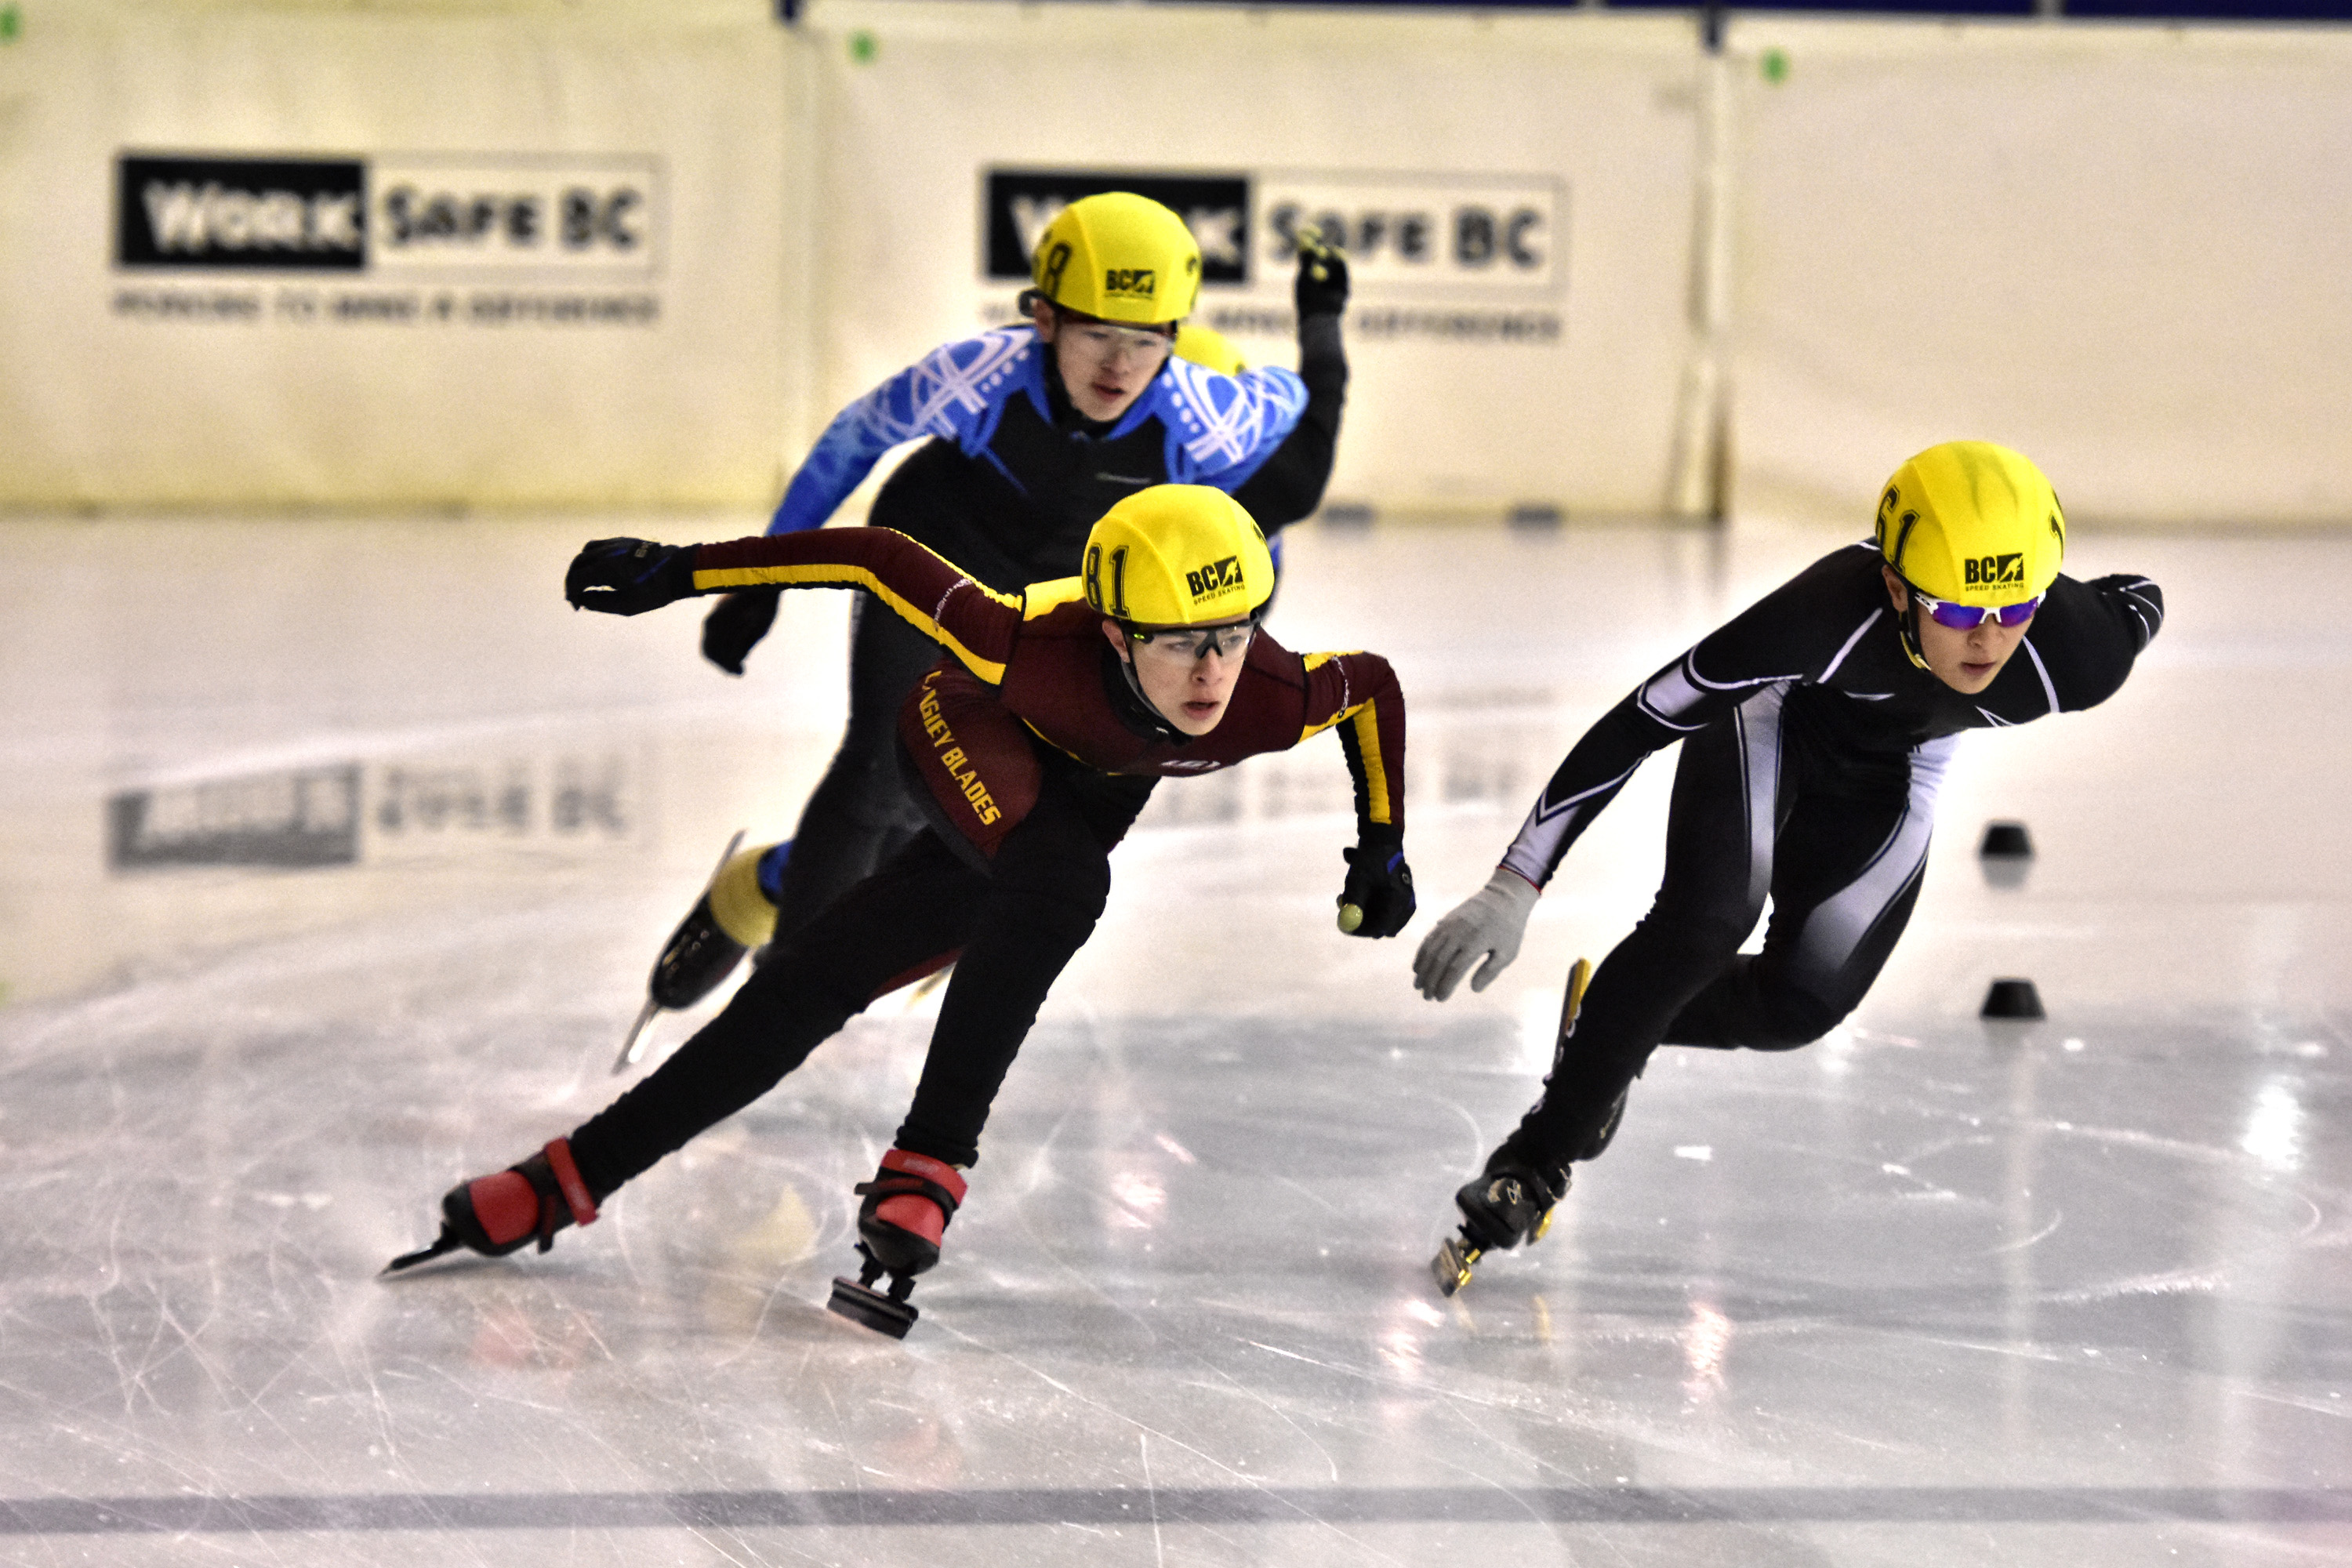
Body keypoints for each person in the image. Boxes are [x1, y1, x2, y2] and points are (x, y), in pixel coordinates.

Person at [385, 485, 1416, 1338]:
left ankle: (569, 1173)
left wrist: (1381, 845)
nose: (1212, 673)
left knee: (815, 982)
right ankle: (929, 1163)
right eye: (1179, 642)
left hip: (1070, 806)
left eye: (1232, 636)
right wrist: (681, 569)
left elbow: (1372, 686)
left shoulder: (1271, 694)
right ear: (1111, 630)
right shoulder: (1025, 643)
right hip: (967, 728)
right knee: (1062, 881)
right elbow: (880, 555)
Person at [1410, 441, 2165, 1294]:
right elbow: (1643, 719)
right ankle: (1534, 1160)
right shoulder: (1822, 618)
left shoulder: (2078, 654)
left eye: (2016, 603)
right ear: (1894, 586)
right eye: (1957, 610)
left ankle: (1616, 1023)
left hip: (1904, 761)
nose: (1989, 637)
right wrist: (1517, 881)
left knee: (1802, 1002)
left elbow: (2142, 598)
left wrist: (2032, 592)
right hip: (1774, 718)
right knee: (1707, 919)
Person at [655, 193, 1353, 1013]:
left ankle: (762, 883)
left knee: (961, 809)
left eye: (1144, 343)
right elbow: (856, 436)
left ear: (1174, 340)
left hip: (1059, 596)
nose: (1119, 367)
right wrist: (756, 584)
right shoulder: (981, 372)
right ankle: (780, 1002)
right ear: (1044, 318)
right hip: (936, 550)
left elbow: (1300, 466)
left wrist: (1322, 319)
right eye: (1097, 334)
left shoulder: (1209, 413)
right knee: (882, 770)